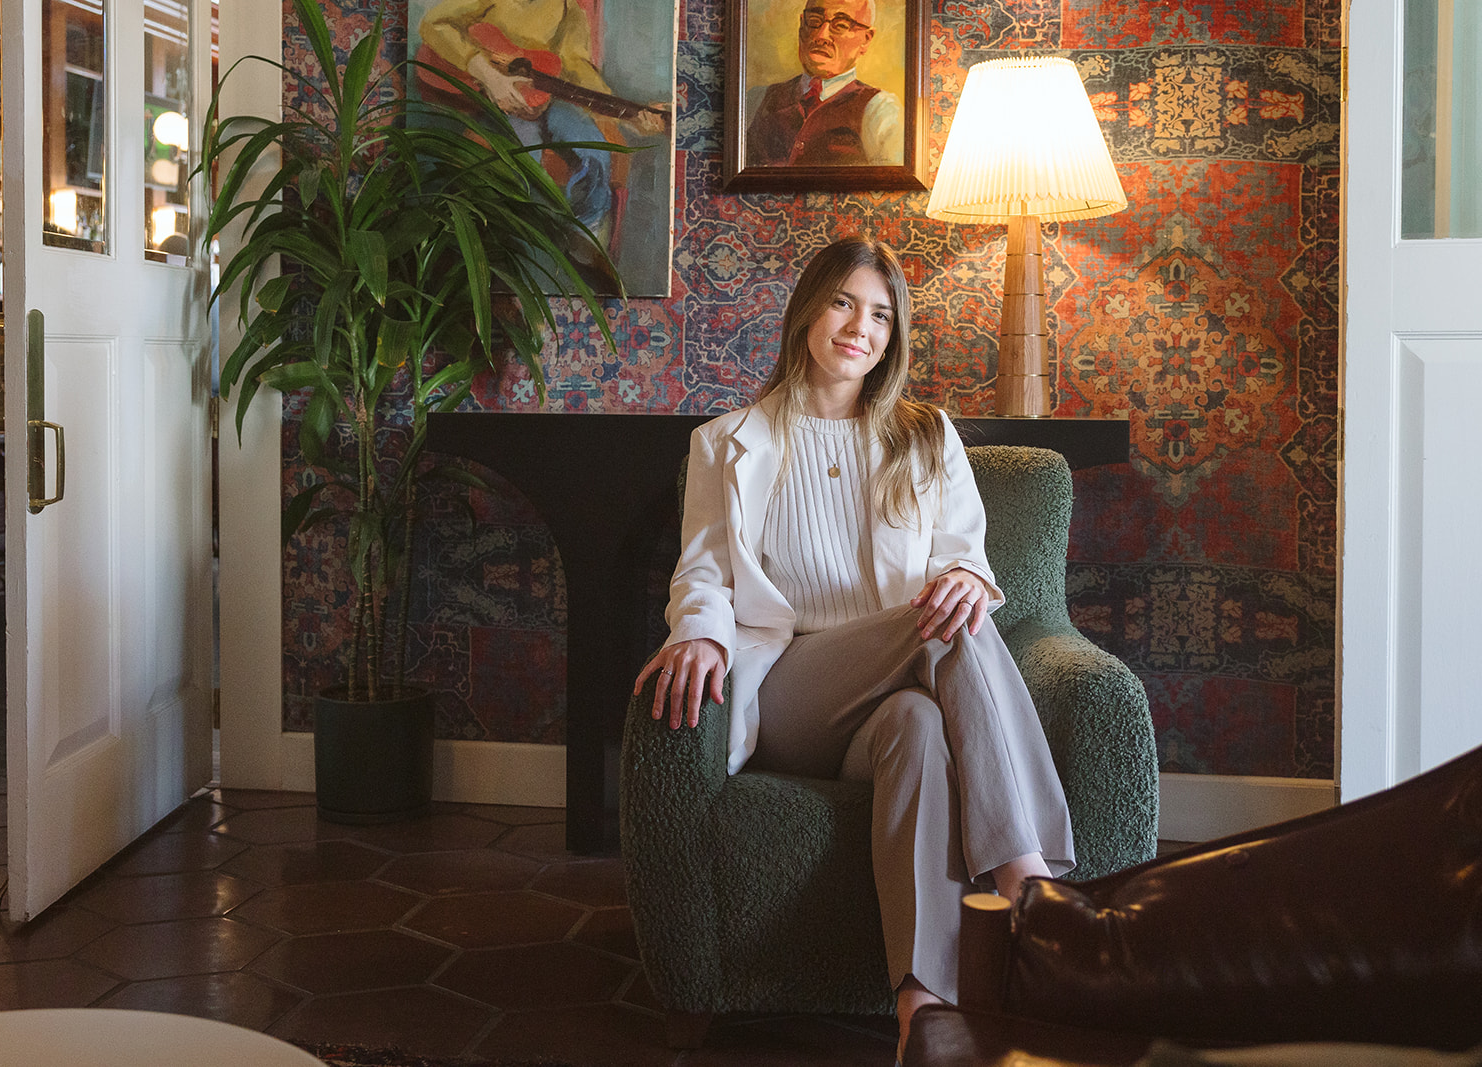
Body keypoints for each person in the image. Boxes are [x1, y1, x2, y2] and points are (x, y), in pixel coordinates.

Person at [633, 237, 1074, 1060]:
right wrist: (696, 633)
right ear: (808, 310)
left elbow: (964, 559)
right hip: (796, 685)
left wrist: (971, 583)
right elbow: (702, 571)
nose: (859, 327)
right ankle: (1032, 883)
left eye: (879, 314)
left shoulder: (926, 435)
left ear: (893, 335)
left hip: (895, 698)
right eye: (843, 303)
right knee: (934, 619)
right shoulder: (724, 442)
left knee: (917, 718)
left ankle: (922, 1006)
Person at [417, 0, 667, 244]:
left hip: (549, 98)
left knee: (594, 149)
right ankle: (513, 246)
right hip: (497, 99)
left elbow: (578, 70)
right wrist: (489, 75)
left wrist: (628, 117)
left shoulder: (568, 10)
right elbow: (433, 24)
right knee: (523, 159)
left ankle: (586, 236)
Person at [745, 0, 903, 167]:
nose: (821, 36)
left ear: (866, 39)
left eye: (840, 25)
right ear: (801, 26)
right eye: (814, 21)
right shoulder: (757, 98)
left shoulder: (881, 111)